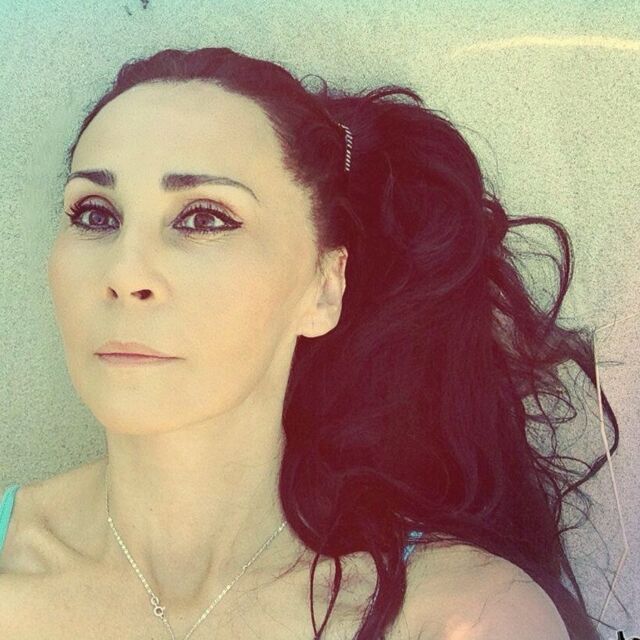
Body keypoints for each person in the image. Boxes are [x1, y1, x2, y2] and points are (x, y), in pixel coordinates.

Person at [0, 46, 621, 639]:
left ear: (324, 287)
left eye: (204, 218)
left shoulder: (458, 617)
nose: (125, 273)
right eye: (95, 215)